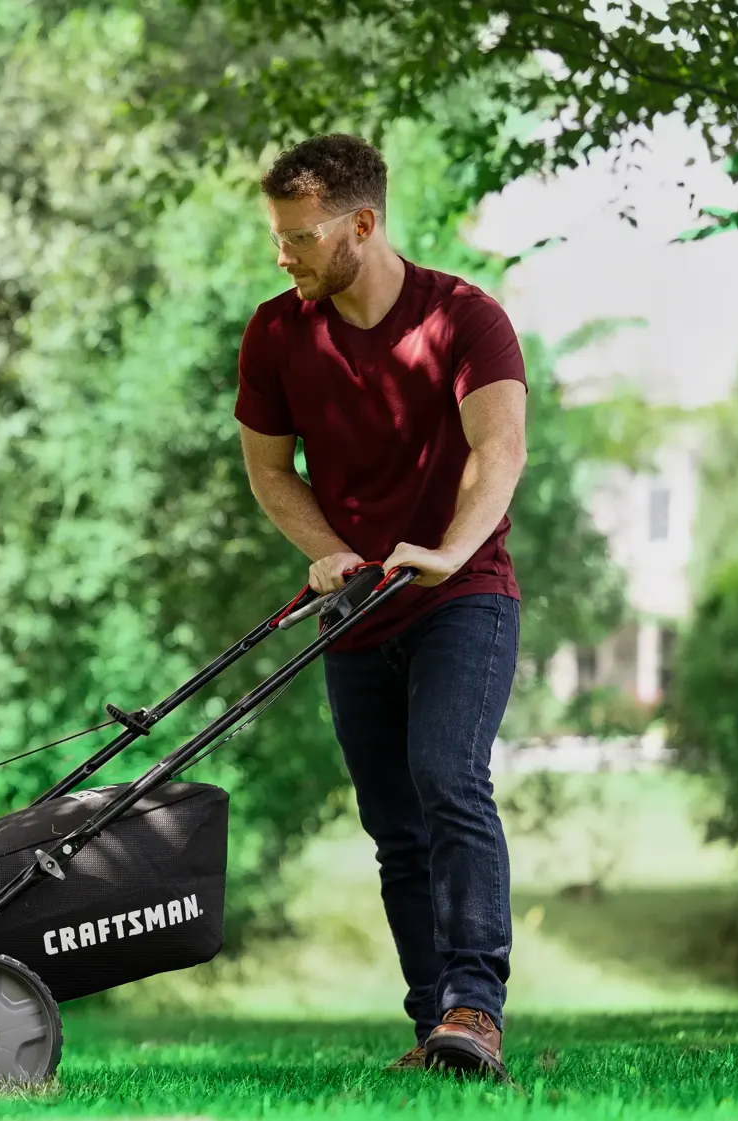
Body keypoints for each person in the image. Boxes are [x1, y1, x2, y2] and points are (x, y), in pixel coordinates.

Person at [233, 134, 528, 1077]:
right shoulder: (277, 334)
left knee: (449, 778)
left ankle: (475, 1006)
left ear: (362, 224)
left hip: (461, 595)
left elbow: (500, 452)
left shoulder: (466, 319)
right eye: (278, 237)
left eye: (301, 238)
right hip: (356, 609)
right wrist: (327, 551)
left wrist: (446, 549)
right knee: (393, 824)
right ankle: (431, 1023)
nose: (285, 255)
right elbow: (270, 469)